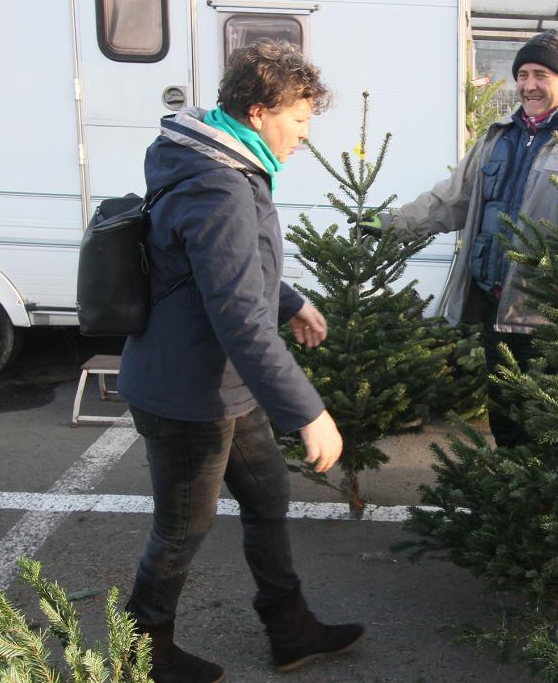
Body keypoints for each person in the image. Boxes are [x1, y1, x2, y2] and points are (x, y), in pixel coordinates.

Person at [117, 39, 363, 683]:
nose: (305, 135)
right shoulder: (218, 183)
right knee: (181, 530)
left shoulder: (218, 160)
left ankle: (291, 629)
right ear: (258, 112)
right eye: (300, 119)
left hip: (223, 388)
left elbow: (223, 266)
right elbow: (235, 316)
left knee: (267, 498)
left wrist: (292, 300)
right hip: (186, 396)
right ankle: (142, 654)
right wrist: (309, 412)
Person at [364, 29, 558, 448]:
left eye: (541, 74)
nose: (529, 85)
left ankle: (540, 499)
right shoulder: (499, 134)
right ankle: (508, 487)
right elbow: (452, 198)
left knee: (547, 412)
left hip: (553, 306)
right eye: (523, 74)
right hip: (495, 299)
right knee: (503, 405)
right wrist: (394, 222)